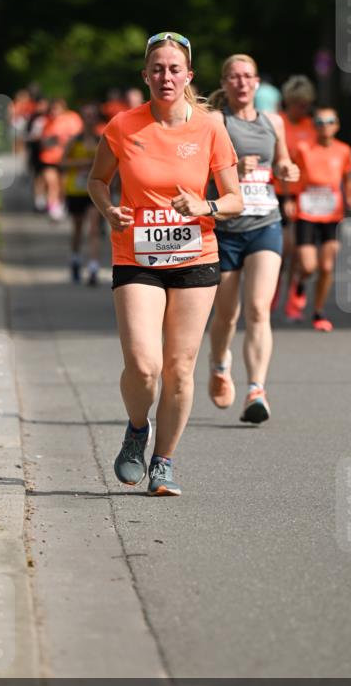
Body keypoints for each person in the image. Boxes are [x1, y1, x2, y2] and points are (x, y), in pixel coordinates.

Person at [87, 32, 242, 495]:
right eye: (157, 69)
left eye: (175, 69)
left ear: (189, 75)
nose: (166, 76)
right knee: (143, 364)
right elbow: (97, 180)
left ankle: (164, 463)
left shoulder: (211, 127)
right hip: (137, 255)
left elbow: (233, 199)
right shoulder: (122, 125)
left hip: (195, 254)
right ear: (145, 76)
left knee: (179, 366)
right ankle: (138, 429)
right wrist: (108, 209)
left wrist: (205, 207)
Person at [207, 55, 299, 424]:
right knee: (227, 315)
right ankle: (218, 364)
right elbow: (199, 171)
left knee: (259, 309)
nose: (241, 83)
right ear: (225, 83)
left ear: (257, 83)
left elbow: (282, 164)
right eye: (234, 77)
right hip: (225, 229)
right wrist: (231, 169)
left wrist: (286, 169)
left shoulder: (273, 121)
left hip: (265, 222)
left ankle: (256, 389)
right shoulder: (216, 121)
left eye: (247, 76)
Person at [287, 107, 351, 331]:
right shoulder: (303, 148)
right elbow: (290, 173)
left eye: (330, 121)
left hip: (332, 214)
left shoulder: (344, 150)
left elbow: (347, 178)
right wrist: (289, 198)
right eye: (319, 121)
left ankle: (318, 311)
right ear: (314, 125)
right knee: (309, 266)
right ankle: (299, 282)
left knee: (326, 266)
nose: (324, 125)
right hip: (307, 212)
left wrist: (350, 198)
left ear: (336, 125)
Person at [278, 75, 317, 318]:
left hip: (306, 195)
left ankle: (296, 287)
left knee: (302, 255)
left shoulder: (312, 126)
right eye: (297, 103)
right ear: (288, 102)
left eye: (305, 104)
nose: (301, 108)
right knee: (285, 246)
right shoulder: (278, 123)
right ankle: (275, 286)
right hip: (280, 192)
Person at [61, 103, 104, 284]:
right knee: (78, 228)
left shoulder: (101, 140)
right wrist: (82, 163)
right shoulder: (74, 141)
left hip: (93, 191)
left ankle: (93, 266)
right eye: (86, 115)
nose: (89, 119)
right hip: (75, 189)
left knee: (94, 228)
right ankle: (75, 259)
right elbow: (62, 163)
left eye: (92, 115)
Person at [39, 99, 83, 221]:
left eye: (56, 109)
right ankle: (52, 209)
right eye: (52, 109)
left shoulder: (72, 119)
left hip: (64, 159)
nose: (54, 112)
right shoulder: (46, 121)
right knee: (52, 183)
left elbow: (77, 137)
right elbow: (44, 142)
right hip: (49, 159)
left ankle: (61, 205)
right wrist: (54, 140)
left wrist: (64, 141)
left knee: (62, 185)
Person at [25, 96, 49, 210]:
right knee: (38, 176)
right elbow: (27, 136)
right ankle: (38, 199)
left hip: (48, 152)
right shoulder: (33, 119)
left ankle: (46, 198)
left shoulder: (50, 118)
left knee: (47, 176)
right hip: (36, 151)